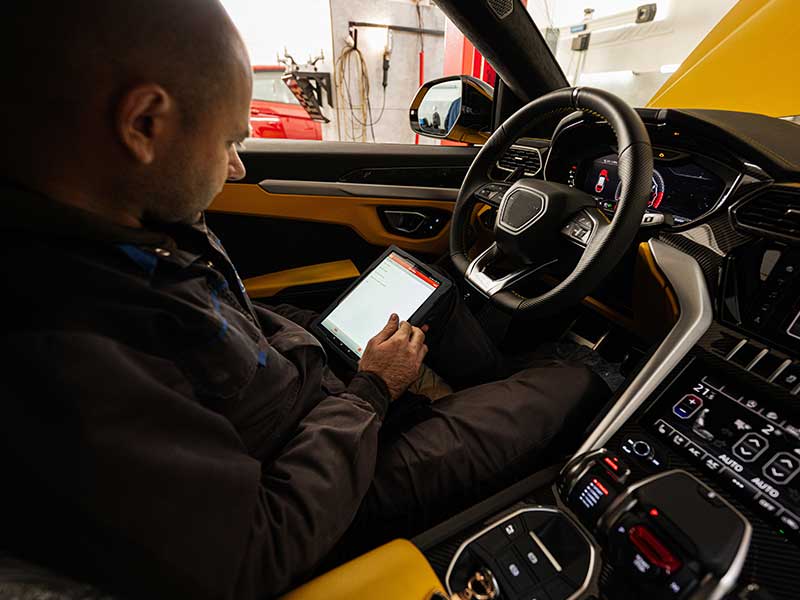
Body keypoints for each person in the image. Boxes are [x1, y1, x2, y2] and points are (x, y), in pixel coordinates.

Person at [0, 1, 608, 599]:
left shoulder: (141, 226)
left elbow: (227, 328)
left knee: (436, 296)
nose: (237, 168)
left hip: (326, 407)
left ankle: (481, 389)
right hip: (325, 488)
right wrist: (371, 391)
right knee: (571, 383)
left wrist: (325, 338)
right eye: (230, 141)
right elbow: (257, 551)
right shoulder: (63, 357)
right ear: (143, 124)